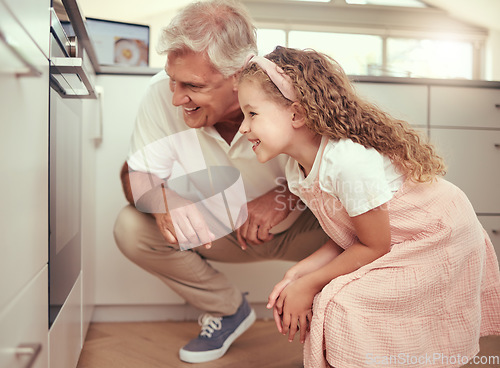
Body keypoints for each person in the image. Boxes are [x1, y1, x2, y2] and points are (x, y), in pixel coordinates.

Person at [238, 46, 500, 368]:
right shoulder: (297, 169)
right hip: (394, 240)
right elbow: (349, 232)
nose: (243, 128)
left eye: (252, 114)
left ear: (297, 114)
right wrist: (299, 272)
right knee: (333, 296)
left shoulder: (347, 162)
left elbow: (375, 244)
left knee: (343, 304)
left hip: (438, 235)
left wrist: (309, 283)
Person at [113, 1, 328, 364]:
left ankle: (339, 328)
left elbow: (342, 175)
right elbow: (134, 172)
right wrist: (164, 198)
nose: (177, 98)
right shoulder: (163, 95)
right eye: (172, 80)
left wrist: (284, 198)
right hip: (219, 233)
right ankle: (229, 311)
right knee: (131, 227)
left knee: (366, 233)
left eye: (193, 86)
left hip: (304, 229)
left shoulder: (292, 90)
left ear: (239, 74)